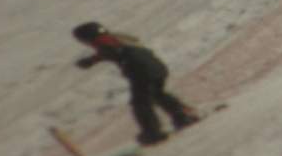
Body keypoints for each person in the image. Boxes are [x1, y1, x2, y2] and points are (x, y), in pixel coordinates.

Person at [72, 22, 200, 145]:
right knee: (157, 94)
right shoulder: (116, 37)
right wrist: (92, 60)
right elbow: (112, 50)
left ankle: (152, 132)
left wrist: (91, 60)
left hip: (141, 70)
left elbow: (111, 50)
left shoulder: (103, 41)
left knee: (140, 103)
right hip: (155, 67)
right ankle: (182, 115)